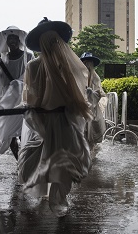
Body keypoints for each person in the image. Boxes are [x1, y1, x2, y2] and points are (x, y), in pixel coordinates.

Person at [18, 17, 92, 217]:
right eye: (47, 42)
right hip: (45, 122)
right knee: (47, 158)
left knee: (65, 162)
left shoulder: (70, 66)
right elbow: (30, 98)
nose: (51, 46)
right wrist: (32, 109)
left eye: (53, 41)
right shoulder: (33, 66)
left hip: (66, 120)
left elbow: (78, 94)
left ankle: (58, 198)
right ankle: (53, 195)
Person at [0, 26, 34, 159]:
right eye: (9, 39)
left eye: (15, 38)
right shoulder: (1, 59)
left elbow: (32, 77)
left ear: (19, 41)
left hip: (23, 99)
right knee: (9, 133)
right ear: (6, 42)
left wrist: (18, 83)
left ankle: (26, 159)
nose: (12, 41)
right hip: (7, 100)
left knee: (23, 131)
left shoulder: (28, 56)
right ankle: (19, 160)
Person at [80, 52, 107, 154]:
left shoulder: (95, 78)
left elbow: (99, 93)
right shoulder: (79, 76)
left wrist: (91, 94)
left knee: (91, 133)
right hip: (81, 107)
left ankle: (90, 153)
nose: (87, 65)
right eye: (85, 62)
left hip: (93, 109)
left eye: (89, 63)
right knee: (82, 132)